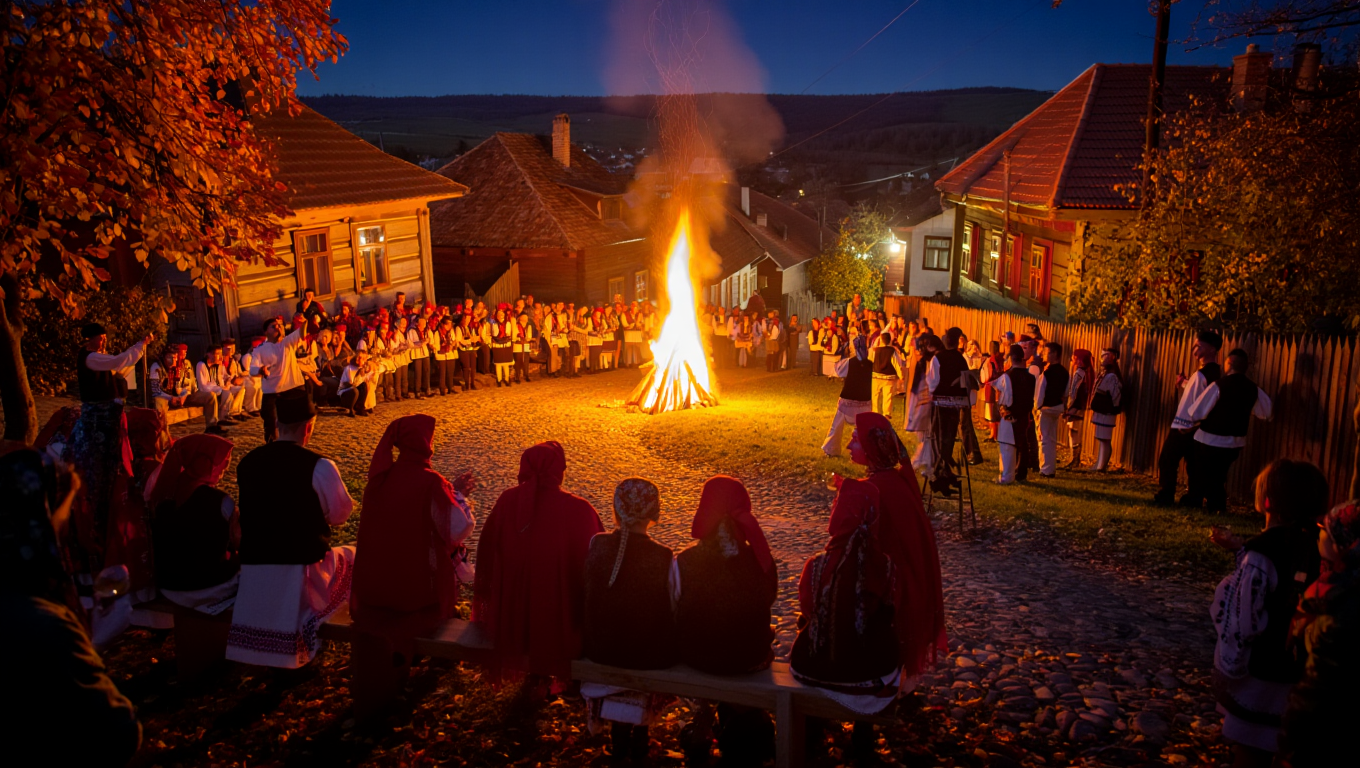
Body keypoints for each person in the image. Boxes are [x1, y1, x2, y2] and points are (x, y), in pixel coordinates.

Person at [0, 449, 141, 766]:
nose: (67, 520)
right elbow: (119, 732)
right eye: (65, 507)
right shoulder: (44, 625)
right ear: (40, 513)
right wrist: (93, 647)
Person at [1209, 460, 1328, 767]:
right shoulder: (1322, 546)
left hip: (1264, 667)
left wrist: (1232, 655)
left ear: (1266, 502)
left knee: (1253, 743)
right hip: (1302, 665)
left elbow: (1245, 615)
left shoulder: (1261, 553)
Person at [226, 394, 355, 668]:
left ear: (276, 422)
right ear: (309, 426)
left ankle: (260, 645)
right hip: (302, 565)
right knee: (354, 557)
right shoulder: (319, 466)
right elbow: (340, 514)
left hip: (255, 563)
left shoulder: (247, 463)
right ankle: (310, 638)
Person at [351, 415, 476, 693]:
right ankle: (432, 654)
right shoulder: (430, 482)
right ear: (425, 443)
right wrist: (458, 497)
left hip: (379, 579)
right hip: (415, 587)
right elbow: (457, 527)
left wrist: (450, 490)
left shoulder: (381, 478)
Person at [473, 441, 604, 685]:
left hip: (514, 612)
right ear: (560, 470)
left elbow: (488, 551)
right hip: (558, 612)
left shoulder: (507, 501)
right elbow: (595, 564)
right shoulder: (579, 509)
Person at [791, 479, 899, 762]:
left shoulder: (816, 565)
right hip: (867, 680)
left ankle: (813, 729)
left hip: (813, 671)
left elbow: (807, 611)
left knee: (810, 629)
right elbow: (888, 616)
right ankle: (864, 735)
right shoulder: (884, 566)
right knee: (874, 645)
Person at [674, 476, 779, 766]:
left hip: (698, 656)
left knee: (712, 637)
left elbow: (675, 607)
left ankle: (708, 720)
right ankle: (740, 727)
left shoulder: (685, 561)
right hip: (749, 657)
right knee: (752, 637)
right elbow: (768, 598)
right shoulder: (758, 557)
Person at [581, 478, 677, 763]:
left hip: (599, 648)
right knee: (650, 634)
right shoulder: (663, 555)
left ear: (615, 511)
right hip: (647, 655)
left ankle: (620, 739)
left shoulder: (597, 543)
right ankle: (639, 739)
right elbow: (671, 605)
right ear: (654, 514)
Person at [847, 412, 947, 681]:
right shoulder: (896, 480)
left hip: (892, 588)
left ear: (872, 448)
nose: (848, 446)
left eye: (855, 440)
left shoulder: (878, 489)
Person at [1280, 500, 1360, 767]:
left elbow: (1318, 686)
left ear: (1342, 543)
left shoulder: (1340, 605)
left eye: (1324, 528)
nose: (1319, 533)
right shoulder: (1333, 585)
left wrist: (1293, 744)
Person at [147, 434, 240, 615]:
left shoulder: (164, 496)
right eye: (222, 463)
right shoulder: (221, 502)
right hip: (204, 587)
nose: (225, 469)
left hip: (169, 585)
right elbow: (238, 542)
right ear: (205, 462)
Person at [1184, 348, 1273, 513]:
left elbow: (1196, 412)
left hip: (1209, 439)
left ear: (1229, 363)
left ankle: (1203, 503)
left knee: (1200, 472)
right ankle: (1214, 505)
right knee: (1219, 474)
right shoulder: (1253, 389)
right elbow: (1266, 413)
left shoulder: (1219, 385)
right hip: (1234, 443)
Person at [1153, 331, 1224, 505]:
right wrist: (1183, 384)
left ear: (1212, 349)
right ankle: (1194, 498)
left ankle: (1166, 495)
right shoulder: (1210, 374)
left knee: (1168, 459)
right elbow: (1200, 395)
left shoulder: (1203, 375)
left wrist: (1189, 425)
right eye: (1194, 345)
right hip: (1196, 427)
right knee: (1193, 464)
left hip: (1185, 426)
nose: (1194, 349)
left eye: (1199, 346)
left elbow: (1202, 400)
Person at [927, 328, 974, 495]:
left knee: (938, 438)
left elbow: (932, 382)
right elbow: (966, 383)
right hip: (955, 404)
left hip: (940, 403)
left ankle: (940, 473)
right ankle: (945, 470)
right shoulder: (961, 359)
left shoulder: (938, 359)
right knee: (948, 438)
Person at [249, 316, 307, 443]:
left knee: (298, 421)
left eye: (280, 325)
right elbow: (252, 368)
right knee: (270, 421)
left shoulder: (288, 342)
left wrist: (304, 321)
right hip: (272, 391)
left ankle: (295, 445)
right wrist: (260, 370)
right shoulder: (260, 350)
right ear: (266, 332)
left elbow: (302, 332)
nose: (278, 327)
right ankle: (273, 447)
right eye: (273, 326)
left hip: (293, 387)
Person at [150, 346, 227, 435]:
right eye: (169, 357)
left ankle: (212, 426)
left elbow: (187, 385)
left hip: (181, 396)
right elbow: (156, 391)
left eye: (174, 358)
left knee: (210, 396)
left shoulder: (182, 365)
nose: (172, 360)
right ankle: (162, 434)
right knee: (158, 402)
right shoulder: (156, 367)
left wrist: (183, 396)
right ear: (164, 357)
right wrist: (171, 398)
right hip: (165, 396)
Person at [822, 336, 874, 457]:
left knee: (837, 425)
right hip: (864, 399)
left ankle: (831, 449)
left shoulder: (850, 362)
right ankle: (866, 451)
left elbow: (839, 371)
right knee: (864, 427)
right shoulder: (870, 364)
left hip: (848, 397)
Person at [993, 344, 1038, 485]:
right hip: (1024, 415)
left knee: (1007, 447)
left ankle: (1006, 477)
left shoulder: (1007, 376)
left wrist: (1003, 409)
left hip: (1010, 415)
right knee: (1021, 444)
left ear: (1011, 358)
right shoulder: (1031, 378)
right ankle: (1020, 473)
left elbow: (1004, 398)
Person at [1034, 342, 1069, 478]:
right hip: (1057, 407)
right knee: (1052, 438)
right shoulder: (1065, 372)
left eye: (1047, 352)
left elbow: (1040, 393)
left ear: (1055, 354)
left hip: (1046, 408)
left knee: (1044, 438)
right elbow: (1066, 392)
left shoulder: (1047, 373)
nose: (1044, 354)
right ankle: (1050, 467)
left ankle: (1046, 469)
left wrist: (1037, 408)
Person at [1089, 348, 1124, 472]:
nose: (1102, 358)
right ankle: (1099, 463)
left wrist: (1113, 408)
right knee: (1101, 438)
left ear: (1112, 357)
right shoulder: (1105, 374)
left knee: (1105, 439)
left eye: (1105, 356)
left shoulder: (1112, 376)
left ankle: (1101, 466)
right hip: (1101, 410)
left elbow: (1116, 395)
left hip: (1106, 411)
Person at [195, 346, 241, 429]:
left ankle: (232, 413)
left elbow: (226, 376)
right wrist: (220, 388)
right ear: (210, 355)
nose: (220, 356)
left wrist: (229, 380)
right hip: (208, 390)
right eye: (217, 354)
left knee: (239, 389)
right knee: (226, 392)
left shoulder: (219, 365)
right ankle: (222, 417)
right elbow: (203, 386)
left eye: (221, 354)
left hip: (220, 387)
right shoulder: (201, 365)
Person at [1063, 349, 1093, 469]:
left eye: (1074, 357)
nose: (1071, 359)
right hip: (1077, 406)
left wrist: (1073, 408)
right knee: (1073, 431)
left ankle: (1075, 459)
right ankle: (1073, 458)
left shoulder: (1080, 373)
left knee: (1074, 432)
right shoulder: (1083, 372)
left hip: (1076, 407)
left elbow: (1078, 392)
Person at [869, 330, 906, 420]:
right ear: (890, 340)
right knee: (887, 395)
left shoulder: (875, 350)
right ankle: (886, 414)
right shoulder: (892, 351)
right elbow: (896, 363)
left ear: (881, 340)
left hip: (876, 376)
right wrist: (901, 375)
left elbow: (870, 361)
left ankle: (875, 412)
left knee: (875, 395)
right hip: (888, 378)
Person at [338, 349, 379, 417]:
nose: (364, 361)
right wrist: (360, 374)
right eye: (363, 359)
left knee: (365, 385)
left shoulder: (360, 367)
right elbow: (350, 382)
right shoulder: (350, 367)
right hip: (347, 390)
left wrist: (368, 374)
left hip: (354, 386)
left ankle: (361, 407)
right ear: (358, 359)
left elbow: (363, 379)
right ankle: (352, 408)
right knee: (358, 388)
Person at [980, 340, 1005, 443]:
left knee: (992, 412)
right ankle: (994, 434)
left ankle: (994, 435)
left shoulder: (992, 359)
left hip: (991, 387)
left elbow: (990, 374)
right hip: (999, 387)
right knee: (995, 410)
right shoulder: (1001, 359)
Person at [407, 315, 433, 399]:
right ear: (418, 323)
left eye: (425, 322)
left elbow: (430, 339)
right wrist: (420, 343)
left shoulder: (426, 330)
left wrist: (428, 340)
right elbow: (410, 343)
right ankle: (417, 390)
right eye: (422, 322)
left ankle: (427, 389)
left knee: (426, 371)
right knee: (418, 373)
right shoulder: (412, 331)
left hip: (425, 353)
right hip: (417, 353)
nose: (424, 324)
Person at [239, 337, 266, 418]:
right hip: (246, 378)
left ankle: (258, 406)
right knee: (252, 387)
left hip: (256, 377)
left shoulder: (259, 357)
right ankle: (250, 407)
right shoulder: (248, 357)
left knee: (260, 387)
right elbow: (248, 370)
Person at [455, 312, 481, 392]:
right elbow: (459, 340)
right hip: (464, 350)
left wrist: (474, 339)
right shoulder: (458, 328)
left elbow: (472, 336)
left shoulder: (469, 327)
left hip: (471, 349)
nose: (467, 320)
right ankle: (466, 384)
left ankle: (472, 383)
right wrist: (469, 340)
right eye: (466, 319)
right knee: (466, 368)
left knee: (473, 367)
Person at [489, 308, 515, 386]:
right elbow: (494, 334)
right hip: (497, 345)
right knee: (498, 363)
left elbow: (508, 333)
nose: (500, 316)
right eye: (499, 314)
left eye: (502, 314)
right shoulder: (494, 324)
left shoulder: (507, 323)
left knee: (506, 363)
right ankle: (499, 379)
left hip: (506, 344)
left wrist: (506, 338)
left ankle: (507, 378)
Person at [513, 311, 536, 383]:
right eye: (524, 317)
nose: (526, 319)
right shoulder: (516, 326)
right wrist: (518, 339)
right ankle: (517, 376)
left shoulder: (528, 326)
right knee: (518, 361)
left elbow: (529, 336)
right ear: (520, 318)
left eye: (526, 317)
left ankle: (526, 375)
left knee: (526, 361)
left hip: (525, 345)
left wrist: (528, 339)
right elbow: (514, 335)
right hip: (518, 345)